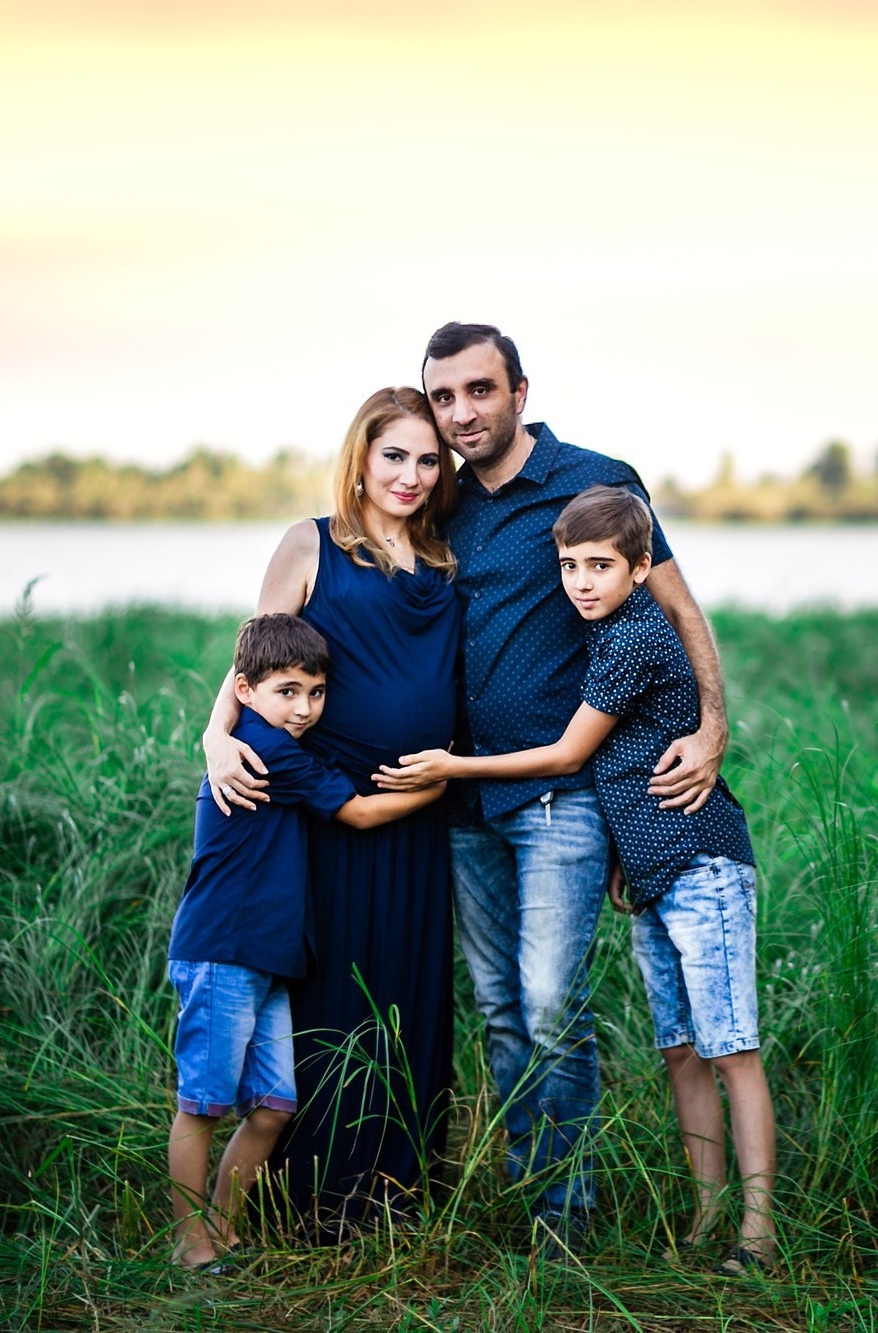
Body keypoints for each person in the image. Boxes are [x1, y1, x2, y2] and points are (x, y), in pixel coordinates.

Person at [374, 322, 727, 1257]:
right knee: (498, 1011)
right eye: (442, 397)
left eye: (478, 392)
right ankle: (536, 1198)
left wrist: (712, 729)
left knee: (546, 1004)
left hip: (562, 799)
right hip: (463, 803)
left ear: (520, 391)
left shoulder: (596, 480)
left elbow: (681, 611)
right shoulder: (440, 504)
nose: (459, 415)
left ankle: (570, 1216)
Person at [399, 486, 775, 1275]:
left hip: (701, 860)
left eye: (600, 565)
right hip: (649, 874)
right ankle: (706, 1225)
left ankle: (758, 1235)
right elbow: (624, 766)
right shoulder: (602, 635)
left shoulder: (635, 636)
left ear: (641, 568)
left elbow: (573, 756)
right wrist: (620, 856)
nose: (581, 581)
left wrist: (455, 765)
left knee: (730, 1046)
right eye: (569, 565)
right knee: (679, 1050)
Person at [199, 387, 462, 1240]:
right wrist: (213, 734)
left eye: (429, 459)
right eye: (395, 455)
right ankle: (308, 1201)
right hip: (333, 812)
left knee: (409, 994)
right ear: (361, 456)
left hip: (418, 822)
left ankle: (397, 1192)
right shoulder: (310, 543)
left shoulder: (448, 561)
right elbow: (256, 655)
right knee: (333, 997)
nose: (412, 475)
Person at [167, 612, 444, 1270]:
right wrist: (442, 782)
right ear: (244, 689)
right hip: (225, 948)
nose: (303, 707)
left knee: (273, 1106)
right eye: (287, 690)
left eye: (315, 692)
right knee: (202, 1103)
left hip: (267, 955)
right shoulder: (266, 748)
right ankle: (190, 1242)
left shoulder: (270, 741)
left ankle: (225, 1228)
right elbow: (360, 810)